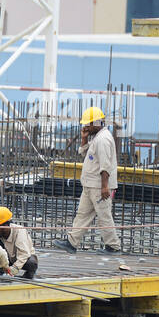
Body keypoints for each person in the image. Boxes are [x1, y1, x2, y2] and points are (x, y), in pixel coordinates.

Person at [58, 106, 121, 254]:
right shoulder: (97, 138)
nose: (86, 126)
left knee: (104, 216)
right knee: (83, 214)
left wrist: (105, 187)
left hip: (99, 187)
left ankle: (113, 246)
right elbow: (87, 155)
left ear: (96, 123)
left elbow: (105, 166)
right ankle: (71, 242)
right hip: (90, 185)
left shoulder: (103, 140)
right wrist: (84, 138)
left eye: (88, 124)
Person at [0, 206, 38, 279]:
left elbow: (24, 254)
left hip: (23, 260)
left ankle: (29, 274)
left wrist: (15, 269)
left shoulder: (20, 231)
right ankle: (0, 270)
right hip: (7, 259)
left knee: (31, 262)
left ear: (5, 226)